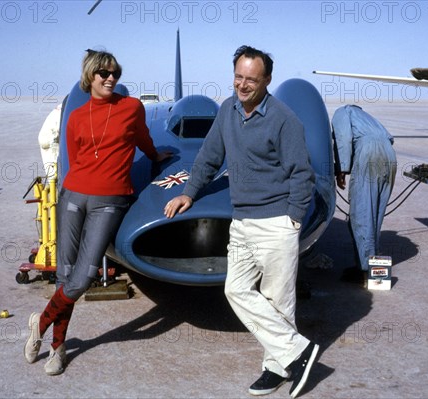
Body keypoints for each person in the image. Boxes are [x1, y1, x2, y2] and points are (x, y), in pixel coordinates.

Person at [164, 45, 319, 398]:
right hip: (243, 221)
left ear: (267, 80)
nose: (243, 85)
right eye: (238, 76)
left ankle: (276, 369)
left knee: (279, 301)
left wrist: (293, 220)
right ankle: (300, 352)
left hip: (277, 221)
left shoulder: (284, 120)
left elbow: (302, 175)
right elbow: (209, 155)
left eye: (251, 79)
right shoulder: (227, 111)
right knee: (235, 289)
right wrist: (190, 191)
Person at [24, 49, 172, 375]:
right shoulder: (77, 116)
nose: (110, 79)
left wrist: (155, 156)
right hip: (74, 197)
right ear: (90, 76)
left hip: (110, 200)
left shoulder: (131, 108)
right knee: (65, 276)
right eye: (103, 73)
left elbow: (143, 139)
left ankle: (41, 322)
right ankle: (58, 348)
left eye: (115, 73)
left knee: (83, 277)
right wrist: (80, 184)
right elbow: (74, 158)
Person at [331, 105, 397, 283]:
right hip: (389, 155)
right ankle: (371, 266)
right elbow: (389, 139)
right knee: (375, 215)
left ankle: (365, 271)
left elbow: (343, 138)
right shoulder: (368, 118)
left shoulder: (343, 112)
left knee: (361, 216)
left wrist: (341, 169)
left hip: (369, 153)